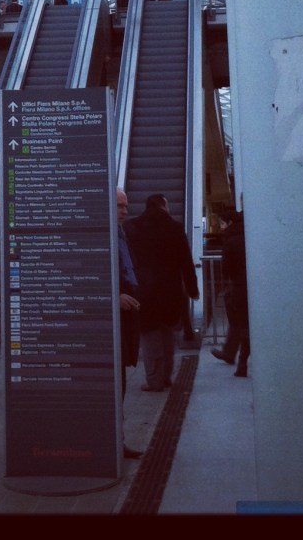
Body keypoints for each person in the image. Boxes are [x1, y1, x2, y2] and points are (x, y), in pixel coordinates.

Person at [125, 193, 199, 392]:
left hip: (144, 291)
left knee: (150, 338)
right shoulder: (175, 227)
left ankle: (154, 380)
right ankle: (166, 376)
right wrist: (193, 289)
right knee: (168, 335)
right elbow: (186, 261)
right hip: (170, 292)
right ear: (163, 206)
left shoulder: (132, 227)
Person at [116, 189, 144, 459]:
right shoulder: (102, 236)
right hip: (109, 326)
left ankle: (117, 440)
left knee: (120, 382)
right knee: (115, 384)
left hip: (125, 319)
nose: (125, 211)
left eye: (125, 205)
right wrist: (114, 297)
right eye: (119, 206)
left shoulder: (123, 233)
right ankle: (114, 442)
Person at [211, 209, 250, 376]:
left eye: (222, 223)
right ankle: (235, 356)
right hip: (254, 285)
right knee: (245, 324)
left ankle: (238, 360)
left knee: (240, 322)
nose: (221, 227)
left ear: (230, 223)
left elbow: (226, 268)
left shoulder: (230, 240)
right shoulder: (250, 234)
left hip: (239, 286)